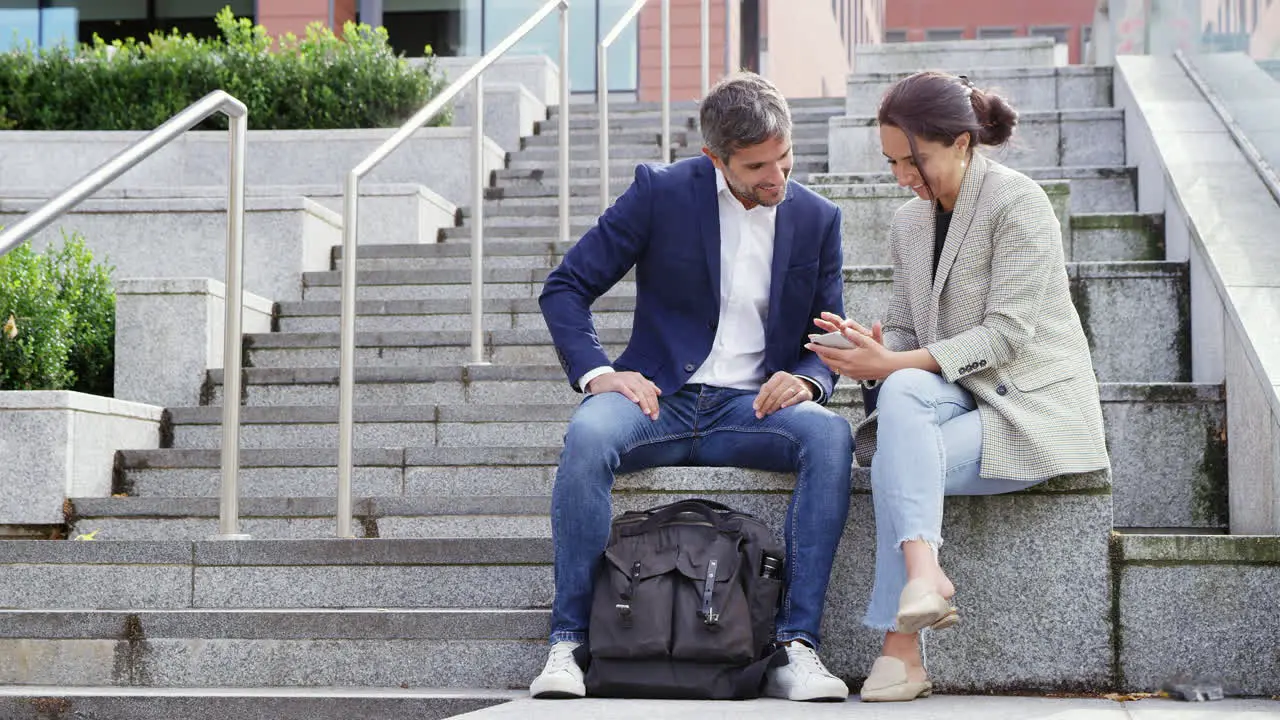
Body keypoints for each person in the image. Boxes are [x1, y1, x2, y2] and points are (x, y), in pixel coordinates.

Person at [531, 71, 853, 702]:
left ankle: (796, 644)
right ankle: (569, 641)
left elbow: (827, 337)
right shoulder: (661, 192)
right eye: (758, 166)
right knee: (589, 434)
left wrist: (810, 381)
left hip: (752, 408)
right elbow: (566, 287)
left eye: (784, 158)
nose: (778, 178)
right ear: (714, 157)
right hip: (658, 401)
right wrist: (602, 374)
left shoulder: (818, 217)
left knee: (831, 437)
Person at [805, 71, 1110, 703]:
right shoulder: (909, 225)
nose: (902, 176)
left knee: (897, 449)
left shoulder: (1017, 202)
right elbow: (913, 331)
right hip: (952, 401)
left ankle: (902, 646)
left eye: (913, 159)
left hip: (1028, 404)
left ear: (962, 142)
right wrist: (871, 349)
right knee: (899, 398)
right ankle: (925, 577)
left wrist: (895, 365)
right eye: (891, 162)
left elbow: (1006, 335)